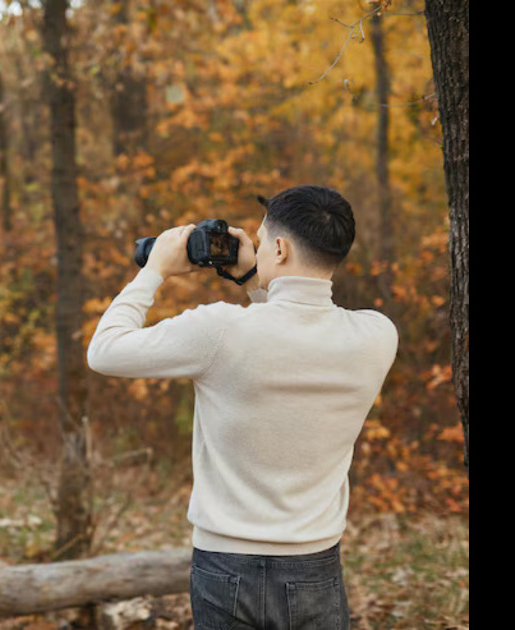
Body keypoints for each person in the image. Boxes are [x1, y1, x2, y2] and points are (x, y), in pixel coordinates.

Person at [87, 186, 397, 629]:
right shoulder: (377, 335)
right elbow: (293, 330)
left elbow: (104, 351)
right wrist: (254, 280)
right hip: (314, 565)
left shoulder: (218, 330)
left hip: (224, 565)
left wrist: (154, 270)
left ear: (279, 248)